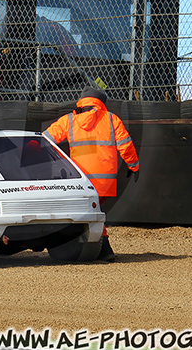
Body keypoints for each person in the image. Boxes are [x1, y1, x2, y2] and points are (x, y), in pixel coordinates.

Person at [43, 86, 140, 262]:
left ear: (82, 101)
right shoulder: (111, 119)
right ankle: (101, 250)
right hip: (105, 181)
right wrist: (134, 165)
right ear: (101, 103)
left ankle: (102, 249)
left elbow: (45, 139)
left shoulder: (69, 120)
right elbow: (125, 145)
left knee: (86, 213)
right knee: (95, 211)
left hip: (81, 181)